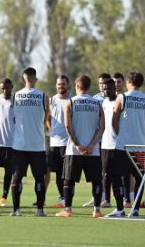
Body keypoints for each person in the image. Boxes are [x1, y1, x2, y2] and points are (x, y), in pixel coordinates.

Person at [56, 75, 105, 218]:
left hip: (74, 149)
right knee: (96, 180)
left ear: (77, 86)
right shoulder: (97, 104)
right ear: (88, 87)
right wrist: (92, 145)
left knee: (69, 180)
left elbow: (67, 125)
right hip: (93, 150)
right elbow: (102, 127)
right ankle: (97, 210)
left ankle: (68, 209)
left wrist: (77, 144)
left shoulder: (70, 102)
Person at [10, 67, 49, 217]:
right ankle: (39, 210)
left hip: (19, 144)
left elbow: (14, 118)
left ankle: (16, 210)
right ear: (35, 79)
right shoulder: (43, 97)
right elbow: (45, 120)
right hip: (37, 144)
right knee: (39, 177)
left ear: (23, 79)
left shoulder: (15, 96)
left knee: (17, 177)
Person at [112, 71, 145, 217]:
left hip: (123, 146)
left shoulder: (122, 97)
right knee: (140, 178)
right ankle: (136, 208)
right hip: (141, 145)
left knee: (116, 175)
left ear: (128, 82)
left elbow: (114, 120)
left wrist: (119, 134)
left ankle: (120, 209)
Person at [82, 72, 111, 207]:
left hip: (110, 140)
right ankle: (98, 197)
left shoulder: (113, 98)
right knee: (97, 172)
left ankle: (108, 199)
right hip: (97, 140)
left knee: (108, 171)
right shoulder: (94, 100)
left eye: (104, 84)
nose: (102, 86)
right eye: (100, 84)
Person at [100, 79, 127, 217]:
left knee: (117, 177)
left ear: (114, 88)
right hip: (105, 145)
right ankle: (112, 204)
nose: (106, 91)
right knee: (106, 176)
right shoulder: (103, 102)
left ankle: (121, 208)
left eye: (109, 88)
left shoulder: (120, 102)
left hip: (117, 146)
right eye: (104, 89)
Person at [47, 75, 73, 208]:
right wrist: (52, 129)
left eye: (63, 84)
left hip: (69, 142)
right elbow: (47, 117)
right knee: (57, 173)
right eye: (58, 84)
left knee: (67, 173)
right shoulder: (52, 100)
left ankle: (68, 200)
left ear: (68, 85)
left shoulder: (73, 100)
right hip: (54, 142)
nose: (60, 86)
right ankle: (62, 198)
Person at [0, 78, 15, 207]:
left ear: (11, 86)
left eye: (7, 87)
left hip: (11, 144)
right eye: (2, 88)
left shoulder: (16, 101)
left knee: (8, 172)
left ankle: (4, 197)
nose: (5, 90)